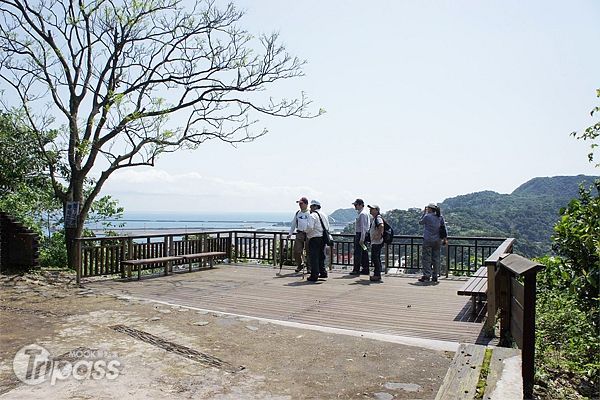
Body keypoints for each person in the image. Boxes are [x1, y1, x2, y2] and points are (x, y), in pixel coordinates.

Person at [418, 203, 448, 282]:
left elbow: (420, 222)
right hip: (437, 240)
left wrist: (424, 213)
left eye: (428, 208)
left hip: (428, 240)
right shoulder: (440, 217)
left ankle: (427, 275)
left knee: (426, 258)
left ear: (430, 209)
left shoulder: (427, 216)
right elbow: (444, 228)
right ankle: (435, 276)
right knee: (436, 258)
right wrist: (445, 239)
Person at [306, 200, 330, 282]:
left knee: (314, 257)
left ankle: (314, 275)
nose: (310, 208)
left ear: (315, 206)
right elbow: (327, 226)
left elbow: (310, 227)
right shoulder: (324, 215)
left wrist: (306, 232)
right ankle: (323, 272)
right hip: (323, 238)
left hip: (314, 238)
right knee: (321, 256)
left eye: (311, 206)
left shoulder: (312, 215)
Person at [288, 197, 311, 273]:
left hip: (308, 234)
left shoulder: (310, 213)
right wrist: (290, 233)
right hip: (299, 233)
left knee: (309, 251)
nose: (300, 205)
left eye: (301, 203)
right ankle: (300, 265)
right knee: (297, 251)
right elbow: (293, 224)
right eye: (299, 204)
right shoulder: (298, 213)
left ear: (306, 204)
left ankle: (309, 267)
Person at [350, 198, 370, 275]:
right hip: (363, 235)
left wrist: (361, 239)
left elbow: (363, 227)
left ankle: (356, 269)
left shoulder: (362, 214)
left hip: (360, 235)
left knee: (358, 253)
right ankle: (365, 269)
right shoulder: (363, 213)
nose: (355, 206)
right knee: (364, 252)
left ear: (361, 205)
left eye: (356, 205)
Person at [367, 205, 384, 282]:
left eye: (372, 209)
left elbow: (381, 226)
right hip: (375, 242)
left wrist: (379, 235)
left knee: (375, 258)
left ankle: (377, 275)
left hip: (377, 242)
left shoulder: (378, 218)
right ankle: (377, 274)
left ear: (376, 210)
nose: (370, 210)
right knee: (376, 258)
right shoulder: (375, 218)